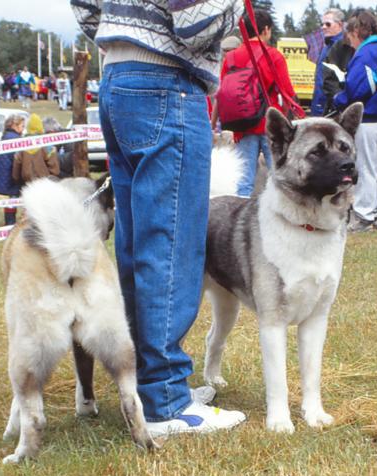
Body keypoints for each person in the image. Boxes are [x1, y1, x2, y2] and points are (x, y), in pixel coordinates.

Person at [72, 0, 247, 436]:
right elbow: (195, 22)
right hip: (166, 80)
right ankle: (165, 400)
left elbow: (86, 7)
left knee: (137, 246)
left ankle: (145, 387)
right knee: (171, 243)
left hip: (118, 76)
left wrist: (123, 31)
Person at [220, 9, 298, 197]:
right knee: (277, 176)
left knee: (244, 180)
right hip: (270, 125)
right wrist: (286, 119)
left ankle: (239, 219)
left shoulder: (231, 57)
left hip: (242, 125)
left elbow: (223, 91)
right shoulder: (273, 55)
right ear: (265, 30)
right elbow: (287, 92)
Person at [333, 10, 377, 233]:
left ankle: (364, 215)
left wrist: (340, 98)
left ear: (355, 32)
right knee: (375, 167)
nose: (349, 44)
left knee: (364, 167)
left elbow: (360, 87)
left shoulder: (365, 54)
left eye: (349, 37)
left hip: (368, 118)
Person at [311, 8, 354, 117]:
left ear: (339, 24)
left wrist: (337, 102)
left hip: (333, 108)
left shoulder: (346, 46)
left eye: (328, 24)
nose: (323, 27)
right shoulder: (326, 46)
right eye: (322, 24)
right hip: (319, 105)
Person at [12, 113, 60, 194]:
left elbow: (15, 172)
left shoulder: (21, 146)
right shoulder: (48, 146)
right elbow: (55, 170)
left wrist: (18, 180)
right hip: (45, 185)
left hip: (27, 186)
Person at [0, 113, 24, 225]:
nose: (23, 129)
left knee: (10, 200)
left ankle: (9, 221)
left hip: (3, 175)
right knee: (13, 198)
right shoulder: (16, 140)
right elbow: (18, 159)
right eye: (22, 126)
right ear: (14, 125)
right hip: (11, 175)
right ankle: (11, 222)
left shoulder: (5, 137)